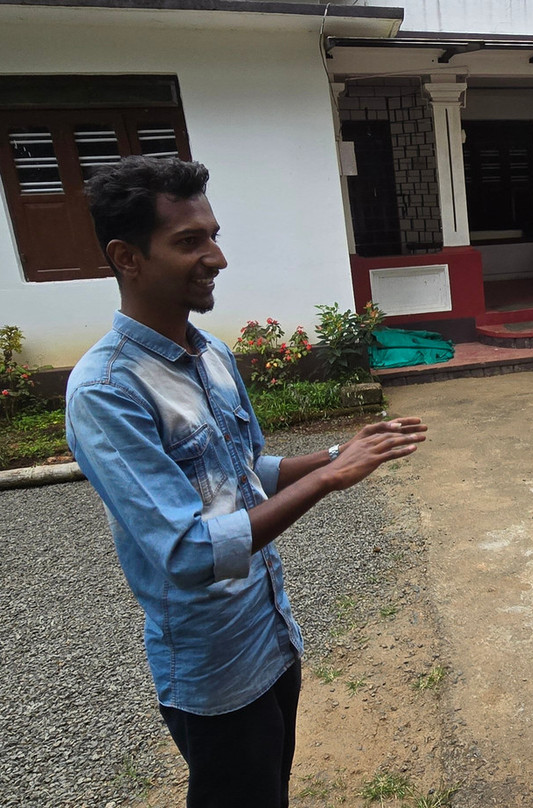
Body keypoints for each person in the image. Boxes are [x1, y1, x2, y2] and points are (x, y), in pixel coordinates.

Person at [66, 156, 427, 807]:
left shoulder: (212, 353)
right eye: (189, 241)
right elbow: (187, 552)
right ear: (126, 258)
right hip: (214, 672)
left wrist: (335, 454)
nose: (217, 257)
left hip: (272, 636)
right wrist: (328, 481)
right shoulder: (107, 391)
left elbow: (244, 474)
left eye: (213, 235)